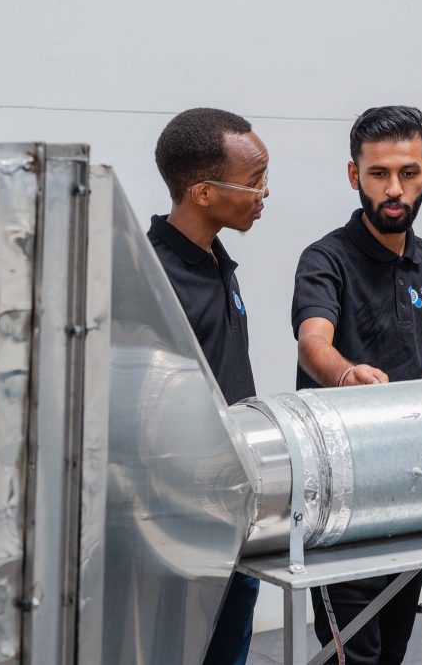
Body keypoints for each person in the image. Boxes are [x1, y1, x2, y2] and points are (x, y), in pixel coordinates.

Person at [291, 105, 422, 664]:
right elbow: (313, 341)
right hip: (342, 497)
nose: (394, 189)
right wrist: (345, 373)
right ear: (354, 174)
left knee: (393, 648)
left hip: (413, 491)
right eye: (378, 173)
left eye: (408, 173)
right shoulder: (325, 259)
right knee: (351, 653)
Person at [149, 107, 269, 665]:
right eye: (253, 182)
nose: (264, 193)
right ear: (201, 192)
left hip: (233, 509)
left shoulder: (219, 261)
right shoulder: (153, 281)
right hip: (177, 527)